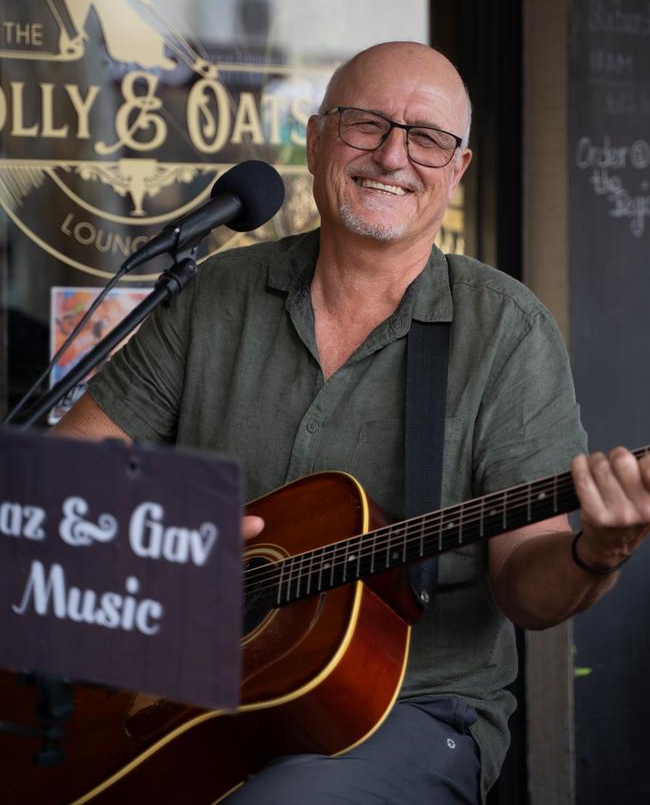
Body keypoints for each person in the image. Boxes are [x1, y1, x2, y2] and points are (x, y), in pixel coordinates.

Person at [55, 41, 650, 803]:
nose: (393, 155)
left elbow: (528, 589)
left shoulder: (506, 332)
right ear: (313, 141)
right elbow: (71, 474)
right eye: (365, 123)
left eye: (428, 137)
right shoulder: (217, 292)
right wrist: (160, 532)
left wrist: (596, 554)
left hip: (405, 711)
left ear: (457, 170)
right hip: (183, 691)